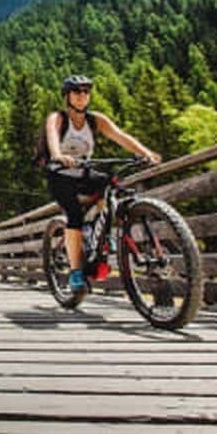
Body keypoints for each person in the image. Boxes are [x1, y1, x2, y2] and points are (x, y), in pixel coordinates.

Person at [45, 75, 161, 295]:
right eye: (76, 92)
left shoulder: (95, 119)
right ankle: (76, 271)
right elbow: (51, 134)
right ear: (67, 96)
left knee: (110, 185)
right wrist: (58, 154)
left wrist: (145, 153)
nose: (82, 96)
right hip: (60, 174)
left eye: (86, 92)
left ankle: (102, 235)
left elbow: (120, 135)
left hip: (83, 172)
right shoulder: (58, 118)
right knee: (74, 217)